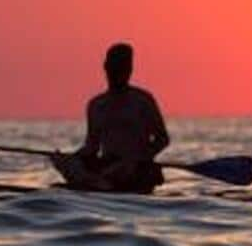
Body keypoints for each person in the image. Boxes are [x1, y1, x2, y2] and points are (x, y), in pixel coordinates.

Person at [51, 43, 170, 194]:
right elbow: (92, 147)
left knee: (120, 175)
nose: (120, 72)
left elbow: (163, 139)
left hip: (136, 169)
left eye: (125, 67)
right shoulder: (96, 105)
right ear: (106, 67)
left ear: (130, 70)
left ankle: (99, 183)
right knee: (72, 165)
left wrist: (136, 159)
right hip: (107, 166)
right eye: (116, 66)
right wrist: (70, 158)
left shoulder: (142, 100)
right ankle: (96, 182)